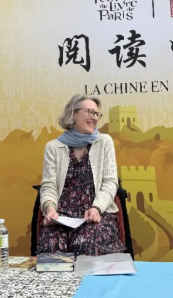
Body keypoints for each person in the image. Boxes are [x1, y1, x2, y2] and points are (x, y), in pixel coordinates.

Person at [37, 94, 125, 256]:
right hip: (62, 217)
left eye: (97, 114)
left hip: (95, 215)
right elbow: (49, 186)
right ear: (74, 113)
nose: (94, 117)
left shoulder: (104, 142)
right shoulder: (53, 147)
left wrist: (97, 208)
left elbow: (110, 182)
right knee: (51, 248)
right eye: (90, 112)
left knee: (87, 245)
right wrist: (50, 209)